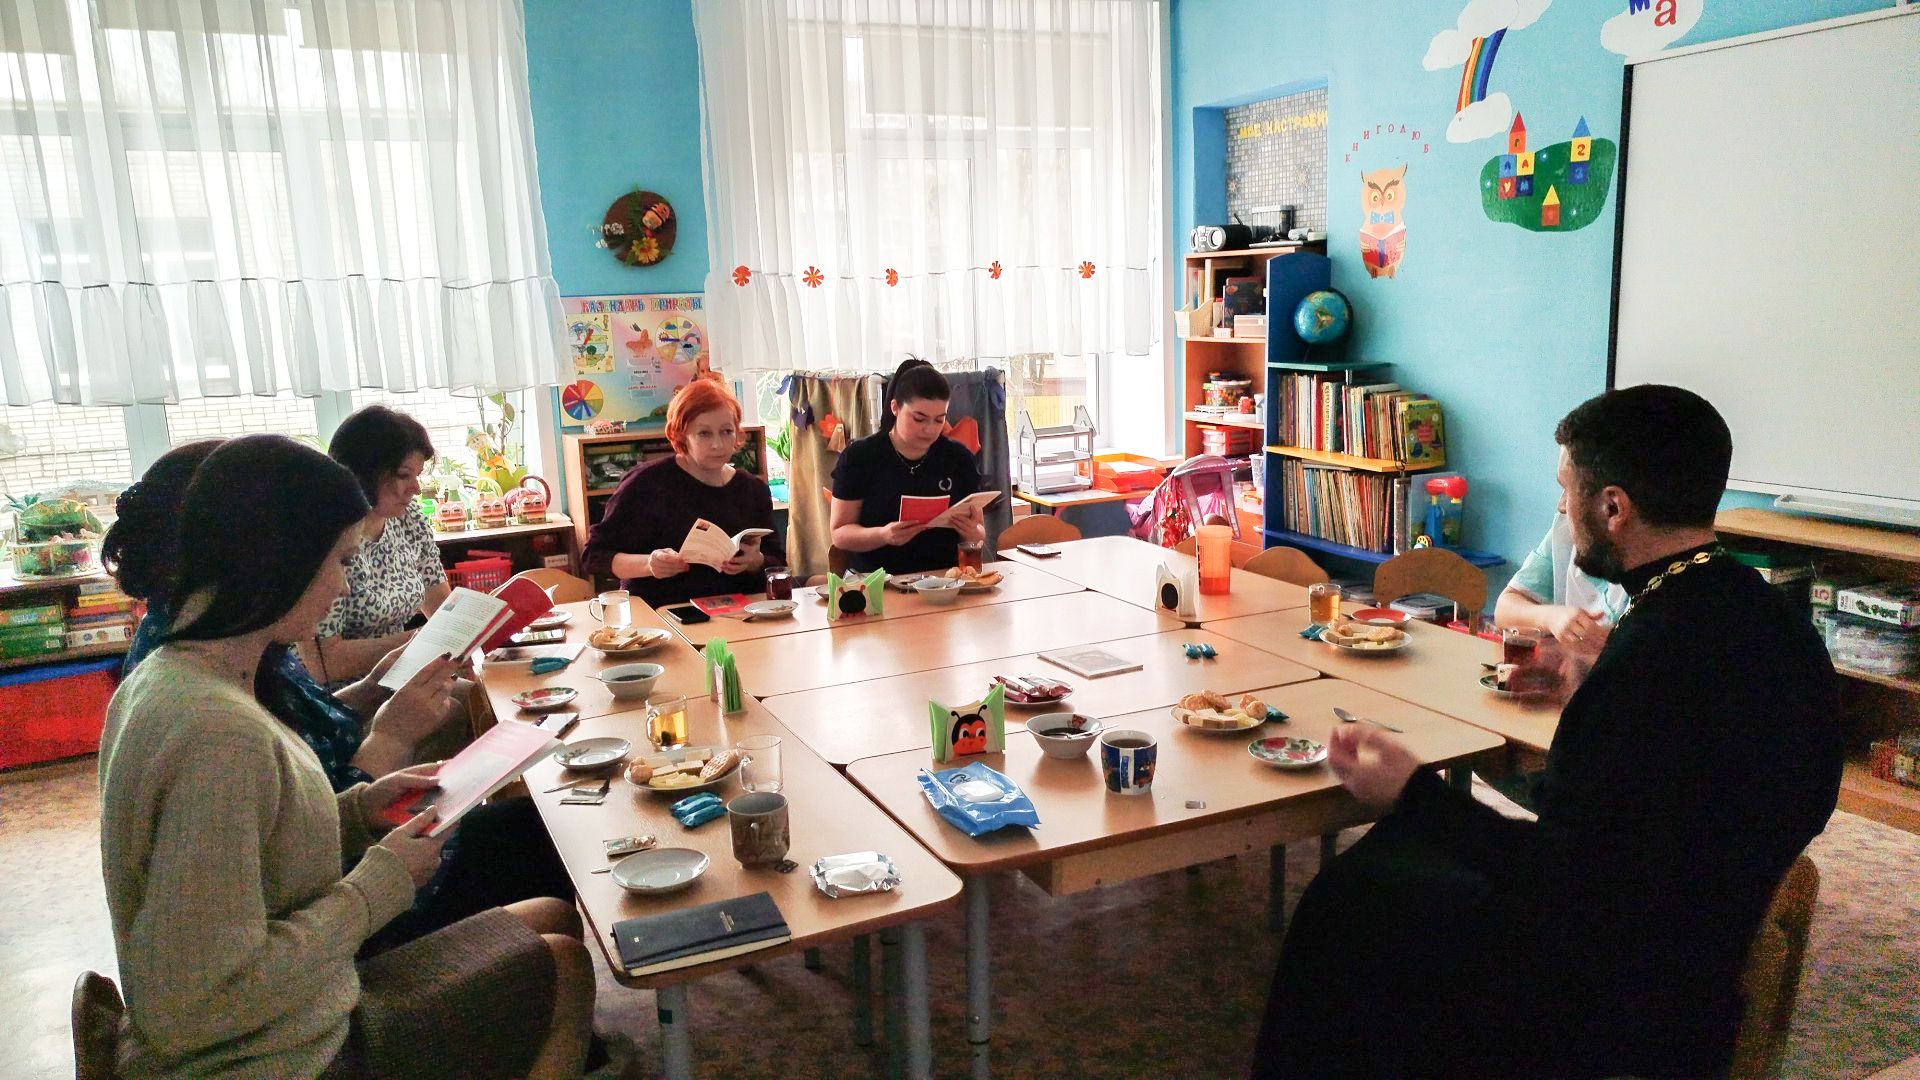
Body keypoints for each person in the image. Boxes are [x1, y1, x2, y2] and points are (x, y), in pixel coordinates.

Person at [1252, 386, 1843, 1079]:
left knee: (1351, 896)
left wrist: (1411, 790)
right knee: (1395, 857)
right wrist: (1592, 691)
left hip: (1616, 984)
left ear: (1613, 507)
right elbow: (1717, 790)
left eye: (1567, 490)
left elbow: (1561, 877)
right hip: (1705, 938)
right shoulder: (1772, 620)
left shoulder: (1651, 657)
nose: (1562, 509)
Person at [98, 435, 593, 1079]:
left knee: (550, 918)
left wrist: (358, 811)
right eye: (336, 560)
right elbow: (196, 1006)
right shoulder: (218, 733)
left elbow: (259, 843)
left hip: (295, 1010)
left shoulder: (180, 671)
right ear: (275, 560)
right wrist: (379, 884)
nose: (343, 584)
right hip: (283, 1054)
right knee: (564, 968)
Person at [582, 373, 786, 607]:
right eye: (704, 433)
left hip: (740, 611)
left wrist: (755, 561)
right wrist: (650, 564)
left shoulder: (752, 489)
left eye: (727, 431)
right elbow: (594, 556)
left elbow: (777, 562)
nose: (718, 444)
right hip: (663, 611)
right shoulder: (645, 484)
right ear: (680, 435)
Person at [302, 405, 449, 685]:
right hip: (339, 691)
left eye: (417, 476)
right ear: (364, 473)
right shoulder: (327, 539)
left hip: (398, 674)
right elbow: (324, 664)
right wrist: (418, 642)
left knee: (478, 694)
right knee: (458, 704)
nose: (416, 488)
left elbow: (441, 605)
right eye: (404, 475)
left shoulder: (409, 517)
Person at [831, 358, 985, 574]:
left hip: (945, 578)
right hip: (877, 578)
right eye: (919, 419)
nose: (929, 429)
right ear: (895, 407)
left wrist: (972, 532)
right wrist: (883, 535)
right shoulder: (861, 456)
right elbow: (839, 533)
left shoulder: (958, 458)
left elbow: (979, 533)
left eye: (939, 420)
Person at [1494, 511, 1629, 659]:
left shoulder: (1643, 556)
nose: (1562, 505)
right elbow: (1504, 610)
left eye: (1570, 497)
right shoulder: (1564, 529)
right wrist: (1552, 617)